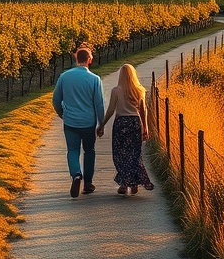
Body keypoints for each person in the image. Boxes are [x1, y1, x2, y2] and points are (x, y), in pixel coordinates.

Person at [52, 46, 105, 198]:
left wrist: (62, 114)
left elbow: (56, 100)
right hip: (88, 122)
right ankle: (88, 182)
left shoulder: (64, 77)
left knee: (73, 151)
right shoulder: (95, 79)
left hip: (70, 122)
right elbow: (99, 104)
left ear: (76, 59)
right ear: (89, 60)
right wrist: (101, 123)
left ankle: (76, 175)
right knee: (89, 151)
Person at [98, 63, 154, 196]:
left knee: (120, 154)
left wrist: (102, 124)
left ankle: (124, 183)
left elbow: (111, 110)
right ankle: (134, 183)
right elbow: (143, 110)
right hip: (135, 123)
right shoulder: (140, 90)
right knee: (134, 154)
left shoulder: (116, 90)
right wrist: (145, 127)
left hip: (121, 123)